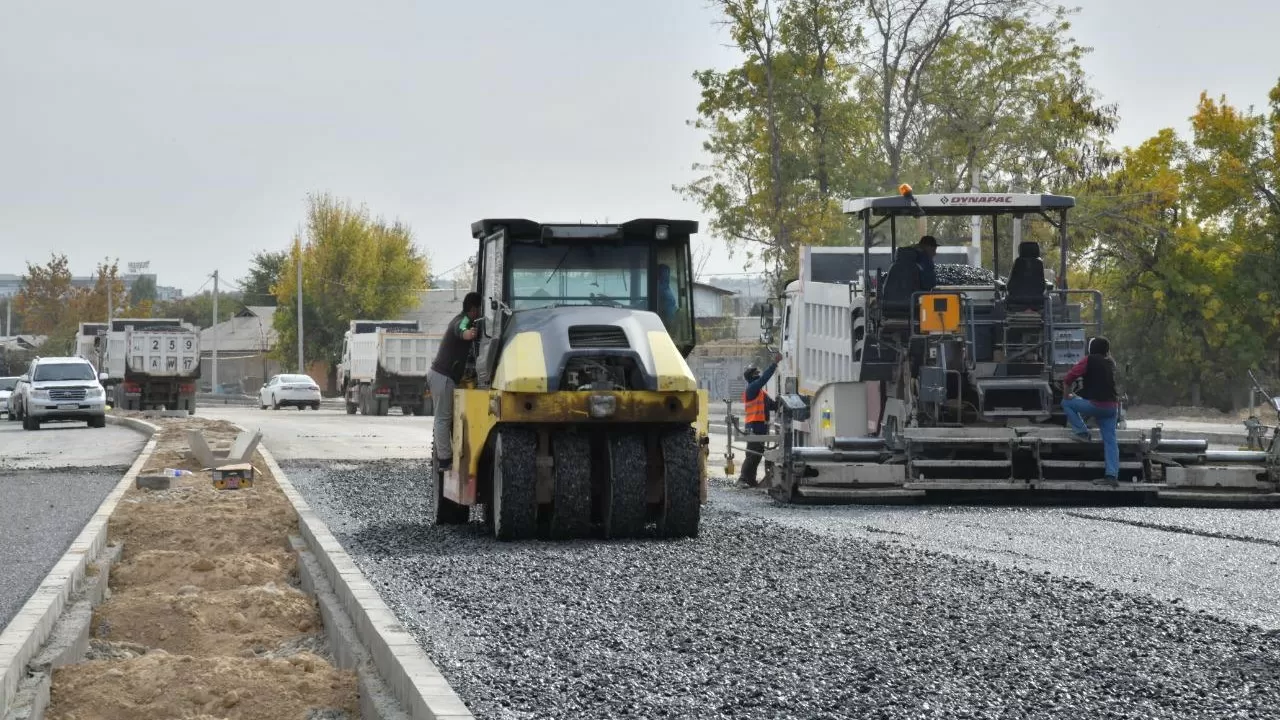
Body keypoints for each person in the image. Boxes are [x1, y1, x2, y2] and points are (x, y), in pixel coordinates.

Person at [428, 292, 482, 470]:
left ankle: (444, 455)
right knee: (443, 419)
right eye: (479, 309)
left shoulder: (462, 318)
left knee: (445, 418)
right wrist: (469, 334)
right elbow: (462, 329)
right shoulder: (463, 320)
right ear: (473, 309)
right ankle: (444, 460)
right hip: (443, 376)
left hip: (441, 376)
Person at [1062, 336, 1120, 487]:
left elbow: (1069, 378)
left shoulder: (1089, 360)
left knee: (1066, 403)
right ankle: (1111, 476)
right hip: (1112, 407)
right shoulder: (1111, 363)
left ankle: (1082, 433)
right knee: (1110, 441)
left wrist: (1067, 394)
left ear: (1091, 348)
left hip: (1096, 405)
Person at [738, 352, 782, 488]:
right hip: (753, 427)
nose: (758, 375)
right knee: (752, 453)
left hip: (761, 427)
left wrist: (782, 400)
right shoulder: (752, 389)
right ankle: (743, 479)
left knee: (757, 454)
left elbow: (774, 406)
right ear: (752, 377)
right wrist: (774, 364)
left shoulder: (762, 394)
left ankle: (751, 480)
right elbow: (764, 379)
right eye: (756, 373)